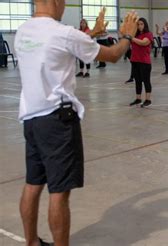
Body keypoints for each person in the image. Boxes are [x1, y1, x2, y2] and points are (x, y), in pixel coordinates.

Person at [14, 1, 138, 245]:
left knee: (33, 183)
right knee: (59, 191)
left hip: (31, 119)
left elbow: (56, 45)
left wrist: (92, 33)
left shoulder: (23, 32)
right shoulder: (63, 33)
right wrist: (126, 36)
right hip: (57, 121)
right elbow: (113, 55)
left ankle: (31, 242)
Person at [129, 17, 154, 108]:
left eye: (141, 24)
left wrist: (131, 38)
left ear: (145, 25)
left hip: (145, 62)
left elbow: (144, 43)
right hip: (135, 61)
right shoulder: (135, 35)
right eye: (138, 24)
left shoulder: (148, 34)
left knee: (146, 81)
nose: (139, 26)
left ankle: (148, 100)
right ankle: (138, 99)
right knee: (138, 81)